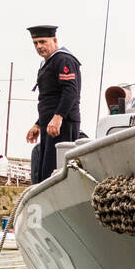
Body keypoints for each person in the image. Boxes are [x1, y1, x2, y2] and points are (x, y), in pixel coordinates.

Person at [25, 25, 82, 184]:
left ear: (55, 40)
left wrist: (58, 118)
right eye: (35, 43)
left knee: (56, 174)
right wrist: (38, 124)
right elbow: (50, 98)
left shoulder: (63, 59)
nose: (39, 46)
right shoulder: (48, 63)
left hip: (62, 125)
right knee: (46, 173)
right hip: (49, 125)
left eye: (42, 41)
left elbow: (70, 91)